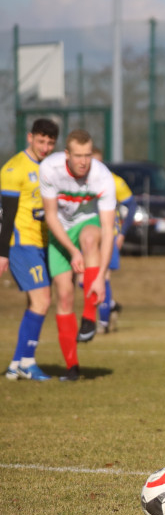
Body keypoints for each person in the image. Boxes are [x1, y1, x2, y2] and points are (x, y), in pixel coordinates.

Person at [38, 129, 117, 382]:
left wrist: (101, 276)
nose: (84, 161)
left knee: (91, 238)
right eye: (78, 156)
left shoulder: (102, 176)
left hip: (87, 223)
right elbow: (50, 215)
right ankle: (72, 366)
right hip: (60, 232)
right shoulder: (50, 169)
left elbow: (108, 229)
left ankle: (90, 319)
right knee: (64, 295)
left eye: (88, 155)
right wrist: (72, 252)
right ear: (67, 154)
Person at [1, 118, 60, 381]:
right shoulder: (14, 169)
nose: (45, 147)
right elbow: (6, 215)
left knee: (34, 302)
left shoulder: (51, 167)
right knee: (43, 300)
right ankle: (28, 362)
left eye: (50, 143)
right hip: (21, 244)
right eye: (41, 141)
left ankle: (16, 364)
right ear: (30, 138)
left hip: (44, 244)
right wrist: (2, 253)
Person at [91, 147, 136, 333]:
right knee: (82, 279)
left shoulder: (113, 181)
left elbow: (131, 205)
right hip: (86, 235)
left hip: (108, 234)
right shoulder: (77, 182)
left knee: (104, 275)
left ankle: (102, 323)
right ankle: (111, 305)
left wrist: (123, 232)